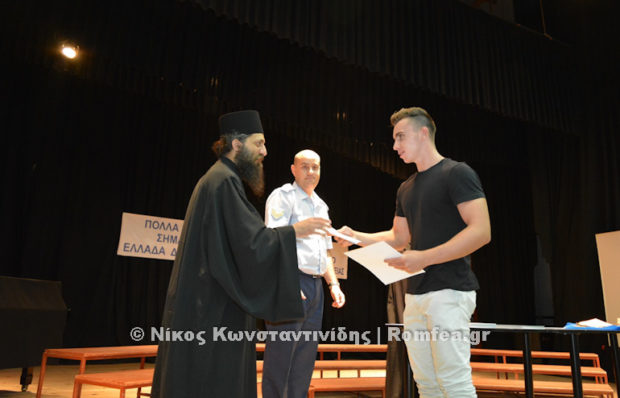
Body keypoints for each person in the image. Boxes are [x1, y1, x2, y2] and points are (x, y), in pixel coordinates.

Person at [151, 110, 331, 398]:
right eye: (258, 143)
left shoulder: (220, 179)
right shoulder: (223, 181)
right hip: (211, 306)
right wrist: (295, 231)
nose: (264, 151)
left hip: (207, 298)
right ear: (236, 144)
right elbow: (250, 243)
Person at [337, 107, 491, 398]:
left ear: (423, 133)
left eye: (400, 137)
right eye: (394, 139)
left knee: (454, 382)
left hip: (450, 290)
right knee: (426, 384)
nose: (395, 146)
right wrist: (356, 237)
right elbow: (398, 238)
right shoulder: (406, 188)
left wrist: (423, 257)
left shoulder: (456, 173)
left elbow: (481, 231)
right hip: (415, 295)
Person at [261, 149, 345, 398]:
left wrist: (334, 285)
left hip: (316, 287)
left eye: (315, 167)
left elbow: (326, 252)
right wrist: (286, 282)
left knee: (304, 360)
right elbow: (274, 240)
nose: (310, 172)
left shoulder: (321, 206)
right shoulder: (283, 197)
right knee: (281, 357)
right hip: (291, 281)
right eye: (305, 166)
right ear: (293, 169)